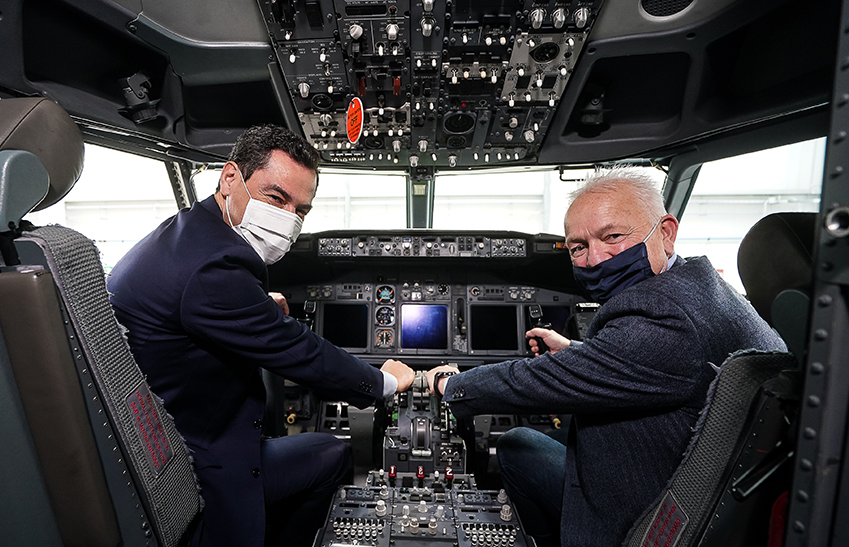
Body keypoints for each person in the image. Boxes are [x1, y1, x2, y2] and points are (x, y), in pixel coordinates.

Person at [426, 169, 786, 546]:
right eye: (578, 247)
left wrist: (449, 382)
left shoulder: (663, 313)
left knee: (516, 443)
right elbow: (657, 365)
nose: (595, 258)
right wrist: (577, 352)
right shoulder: (704, 288)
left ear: (665, 231)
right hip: (695, 481)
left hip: (651, 511)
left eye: (612, 236)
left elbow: (539, 380)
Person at [107, 124, 415, 547]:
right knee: (333, 453)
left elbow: (202, 304)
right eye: (276, 197)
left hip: (164, 432)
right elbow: (300, 352)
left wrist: (253, 305)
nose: (289, 219)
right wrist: (384, 381)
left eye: (301, 210)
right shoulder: (213, 271)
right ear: (230, 177)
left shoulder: (190, 233)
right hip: (197, 459)